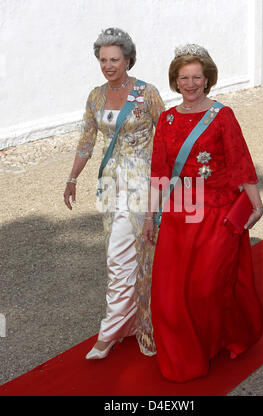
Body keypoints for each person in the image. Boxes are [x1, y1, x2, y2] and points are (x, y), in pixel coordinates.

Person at [143, 44, 263, 382]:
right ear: (175, 80)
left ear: (208, 78)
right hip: (179, 217)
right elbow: (159, 172)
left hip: (216, 214)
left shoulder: (222, 116)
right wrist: (150, 217)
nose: (191, 83)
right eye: (184, 77)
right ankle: (185, 356)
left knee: (206, 289)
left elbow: (240, 160)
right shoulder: (166, 120)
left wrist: (255, 203)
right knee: (170, 296)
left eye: (197, 76)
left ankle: (218, 338)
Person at [63, 27, 165, 359]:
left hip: (141, 180)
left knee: (126, 255)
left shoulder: (147, 93)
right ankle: (134, 325)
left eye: (115, 59)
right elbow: (87, 141)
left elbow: (166, 137)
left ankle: (112, 333)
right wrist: (73, 178)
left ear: (128, 59)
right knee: (120, 253)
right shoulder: (95, 96)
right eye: (103, 60)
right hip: (110, 181)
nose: (108, 65)